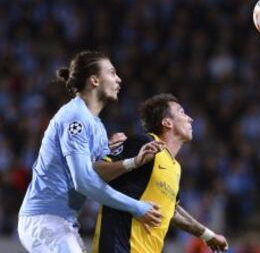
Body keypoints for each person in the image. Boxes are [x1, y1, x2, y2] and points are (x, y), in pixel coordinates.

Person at [18, 51, 164, 253]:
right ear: (94, 80)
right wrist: (136, 207)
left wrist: (133, 161)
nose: (119, 79)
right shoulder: (75, 118)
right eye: (112, 73)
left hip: (63, 221)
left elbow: (98, 173)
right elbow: (85, 181)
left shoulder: (97, 126)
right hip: (46, 219)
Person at [92, 93, 228, 253]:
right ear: (167, 122)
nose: (190, 119)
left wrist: (207, 235)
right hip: (119, 247)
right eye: (182, 112)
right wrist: (133, 162)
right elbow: (97, 170)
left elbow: (172, 210)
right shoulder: (145, 143)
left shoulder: (175, 167)